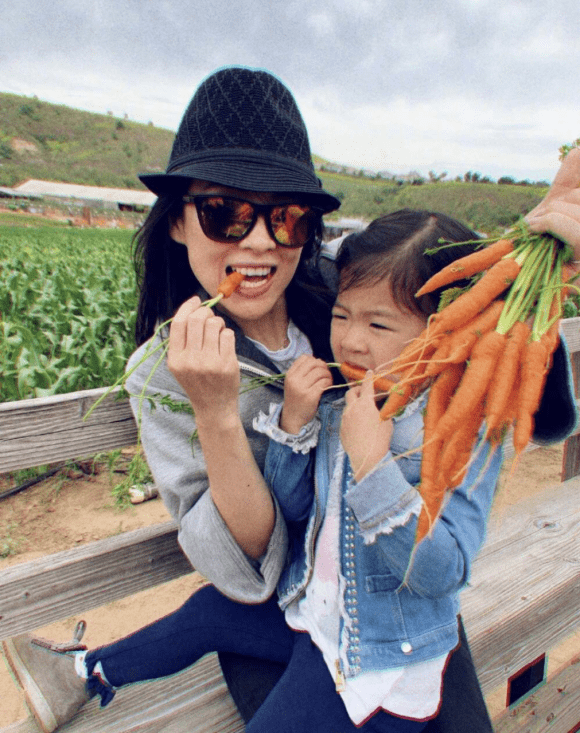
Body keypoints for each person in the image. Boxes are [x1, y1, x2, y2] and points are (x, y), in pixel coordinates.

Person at [2, 65, 579, 732]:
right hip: (290, 602)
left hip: (390, 589)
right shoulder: (163, 376)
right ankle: (83, 672)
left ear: (308, 230)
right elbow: (244, 575)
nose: (257, 241)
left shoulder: (343, 297)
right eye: (224, 213)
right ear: (178, 223)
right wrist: (218, 413)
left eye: (285, 217)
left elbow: (548, 421)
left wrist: (524, 276)